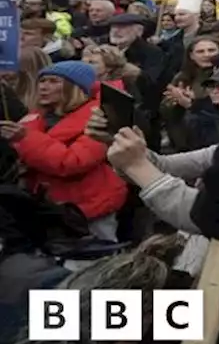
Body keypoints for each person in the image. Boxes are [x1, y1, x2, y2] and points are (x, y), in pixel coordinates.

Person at [0, 61, 126, 243]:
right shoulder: (37, 117)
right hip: (50, 209)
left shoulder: (100, 120)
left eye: (53, 81)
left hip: (88, 208)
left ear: (75, 87)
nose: (44, 87)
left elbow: (72, 162)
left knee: (93, 263)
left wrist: (25, 139)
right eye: (42, 81)